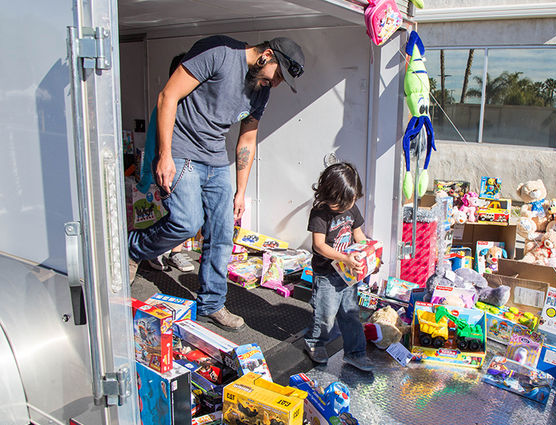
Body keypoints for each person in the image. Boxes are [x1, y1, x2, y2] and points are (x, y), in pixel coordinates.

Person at [128, 35, 305, 331]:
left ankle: (212, 303)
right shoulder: (219, 52)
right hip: (182, 151)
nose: (277, 84)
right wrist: (164, 155)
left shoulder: (260, 91)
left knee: (222, 231)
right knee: (186, 222)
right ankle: (135, 248)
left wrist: (240, 191)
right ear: (267, 55)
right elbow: (167, 97)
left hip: (215, 159)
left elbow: (247, 138)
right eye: (278, 75)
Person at [305, 163, 374, 372]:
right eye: (341, 203)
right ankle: (315, 343)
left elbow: (359, 235)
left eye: (351, 201)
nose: (347, 206)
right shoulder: (320, 213)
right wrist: (345, 257)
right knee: (325, 315)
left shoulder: (351, 207)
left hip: (348, 274)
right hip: (327, 274)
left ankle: (356, 353)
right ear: (328, 195)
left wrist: (369, 255)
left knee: (351, 313)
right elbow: (319, 246)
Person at [138, 52, 196, 274]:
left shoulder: (192, 103)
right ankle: (150, 250)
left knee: (185, 214)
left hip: (189, 167)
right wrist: (148, 174)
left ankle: (173, 252)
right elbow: (154, 138)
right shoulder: (169, 103)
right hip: (170, 168)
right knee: (177, 215)